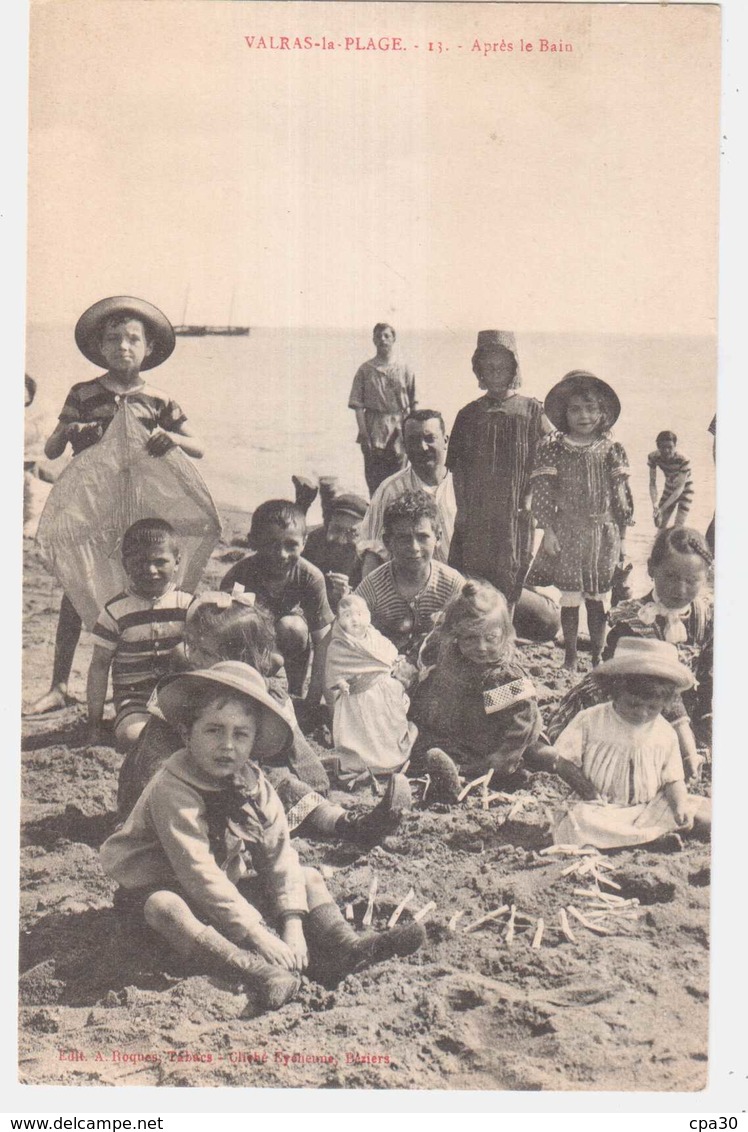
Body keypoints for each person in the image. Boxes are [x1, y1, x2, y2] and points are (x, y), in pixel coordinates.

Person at [100, 662, 426, 1009]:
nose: (227, 745)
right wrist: (258, 936)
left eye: (241, 734)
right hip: (162, 892)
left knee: (308, 877)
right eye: (213, 730)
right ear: (186, 733)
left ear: (254, 741)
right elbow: (197, 872)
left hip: (224, 893)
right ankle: (252, 971)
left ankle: (347, 948)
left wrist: (293, 923)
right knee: (165, 907)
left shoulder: (253, 782)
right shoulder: (172, 786)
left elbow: (278, 853)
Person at [117, 589, 411, 847]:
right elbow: (152, 753)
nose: (193, 657)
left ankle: (350, 824)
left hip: (237, 778)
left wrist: (313, 781)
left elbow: (295, 748)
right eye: (192, 647)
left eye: (204, 653)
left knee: (281, 784)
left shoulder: (259, 694)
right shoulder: (184, 691)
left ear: (243, 662)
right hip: (176, 786)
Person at [26, 297, 204, 716]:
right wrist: (71, 430)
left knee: (147, 588)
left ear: (149, 349)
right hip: (92, 507)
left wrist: (172, 439)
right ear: (100, 348)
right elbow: (51, 451)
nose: (123, 346)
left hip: (141, 509)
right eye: (113, 339)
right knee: (76, 589)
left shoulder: (159, 400)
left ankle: (149, 679)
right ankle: (58, 684)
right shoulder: (83, 393)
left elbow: (199, 447)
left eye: (132, 339)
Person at [546, 526, 713, 781]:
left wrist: (707, 716)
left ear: (706, 578)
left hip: (677, 700)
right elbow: (655, 682)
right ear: (651, 569)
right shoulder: (634, 619)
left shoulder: (705, 617)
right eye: (670, 576)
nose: (680, 589)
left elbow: (711, 672)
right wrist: (688, 747)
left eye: (692, 581)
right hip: (627, 694)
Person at [530, 639, 710, 850]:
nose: (642, 713)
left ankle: (642, 837)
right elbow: (563, 762)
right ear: (615, 691)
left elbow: (673, 779)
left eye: (652, 707)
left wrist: (679, 806)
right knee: (580, 821)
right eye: (633, 704)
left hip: (647, 808)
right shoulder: (590, 720)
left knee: (698, 811)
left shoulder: (665, 732)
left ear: (666, 703)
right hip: (601, 806)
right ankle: (648, 841)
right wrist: (588, 791)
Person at [527, 371, 634, 669]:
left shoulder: (611, 450)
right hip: (568, 530)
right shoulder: (553, 448)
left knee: (597, 597)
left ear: (603, 413)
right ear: (564, 413)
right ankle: (571, 656)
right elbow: (544, 492)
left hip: (603, 533)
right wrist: (548, 530)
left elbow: (621, 497)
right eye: (575, 409)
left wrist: (622, 538)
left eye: (590, 409)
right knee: (571, 597)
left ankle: (598, 656)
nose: (583, 416)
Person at [446, 330, 551, 617]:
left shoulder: (532, 411)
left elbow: (546, 463)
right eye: (488, 367)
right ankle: (475, 627)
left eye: (502, 367)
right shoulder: (468, 414)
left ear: (513, 368)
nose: (495, 373)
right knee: (471, 573)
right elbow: (457, 468)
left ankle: (508, 630)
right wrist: (463, 509)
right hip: (477, 510)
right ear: (478, 370)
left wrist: (530, 500)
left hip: (515, 509)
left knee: (512, 568)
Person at [408, 580, 542, 803]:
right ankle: (446, 774)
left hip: (492, 740)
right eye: (470, 638)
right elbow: (430, 650)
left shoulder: (501, 675)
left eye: (490, 638)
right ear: (456, 635)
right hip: (459, 731)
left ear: (505, 634)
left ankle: (457, 783)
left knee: (486, 767)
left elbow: (524, 716)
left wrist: (504, 756)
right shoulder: (454, 656)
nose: (481, 647)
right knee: (425, 750)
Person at [87, 519, 192, 751]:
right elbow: (99, 666)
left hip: (180, 694)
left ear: (177, 562)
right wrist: (94, 723)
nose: (151, 570)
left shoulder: (188, 606)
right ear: (126, 565)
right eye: (141, 562)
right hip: (134, 698)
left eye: (160, 561)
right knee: (132, 737)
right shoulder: (115, 611)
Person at [219, 501, 333, 704]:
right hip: (251, 638)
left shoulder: (310, 576)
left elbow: (323, 641)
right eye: (270, 544)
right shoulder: (239, 576)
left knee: (294, 627)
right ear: (252, 541)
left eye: (291, 545)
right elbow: (221, 633)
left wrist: (313, 699)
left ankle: (296, 691)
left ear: (304, 542)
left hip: (286, 634)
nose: (281, 554)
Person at [355, 491, 464, 663]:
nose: (414, 547)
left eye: (422, 537)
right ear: (387, 541)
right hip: (385, 671)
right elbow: (346, 634)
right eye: (404, 538)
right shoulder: (373, 587)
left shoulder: (452, 584)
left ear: (438, 537)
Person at [325, 594, 417, 776]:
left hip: (382, 691)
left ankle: (390, 758)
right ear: (339, 620)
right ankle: (366, 761)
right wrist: (342, 683)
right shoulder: (339, 645)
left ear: (367, 615)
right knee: (363, 732)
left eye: (359, 614)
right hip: (357, 694)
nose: (354, 619)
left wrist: (394, 662)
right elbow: (335, 667)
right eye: (347, 615)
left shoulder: (374, 636)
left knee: (386, 726)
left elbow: (388, 651)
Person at [358, 409, 456, 576]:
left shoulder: (464, 484)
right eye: (413, 440)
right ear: (404, 446)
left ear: (445, 441)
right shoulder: (390, 490)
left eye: (429, 438)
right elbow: (373, 553)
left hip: (463, 588)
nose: (422, 447)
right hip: (410, 591)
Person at [348, 323, 417, 495]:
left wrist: (413, 432)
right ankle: (376, 517)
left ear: (394, 339)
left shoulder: (404, 369)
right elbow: (357, 405)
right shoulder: (365, 370)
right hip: (374, 428)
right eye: (378, 336)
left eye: (386, 336)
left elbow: (414, 404)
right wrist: (364, 433)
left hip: (399, 428)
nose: (382, 340)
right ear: (373, 340)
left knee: (399, 479)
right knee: (374, 480)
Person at [302, 493, 367, 612]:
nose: (342, 540)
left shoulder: (369, 555)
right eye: (336, 530)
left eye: (352, 533)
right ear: (327, 525)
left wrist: (348, 595)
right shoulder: (311, 542)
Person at [648, 430, 694, 529]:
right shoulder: (653, 457)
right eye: (663, 447)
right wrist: (655, 504)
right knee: (659, 524)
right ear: (658, 447)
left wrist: (662, 508)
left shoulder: (683, 460)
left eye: (670, 447)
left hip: (685, 490)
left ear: (675, 446)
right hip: (669, 487)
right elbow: (652, 483)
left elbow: (679, 488)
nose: (666, 451)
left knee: (678, 526)